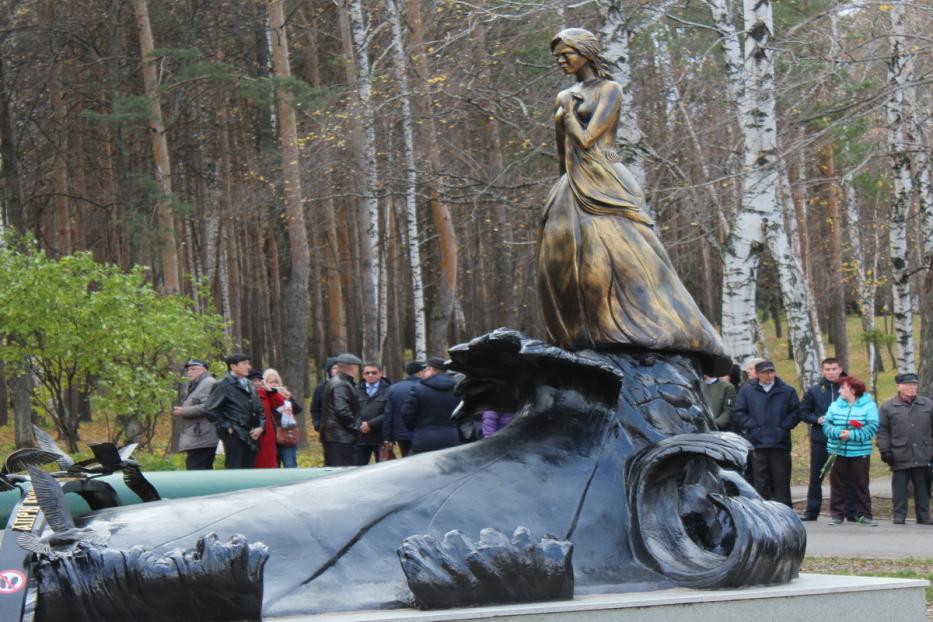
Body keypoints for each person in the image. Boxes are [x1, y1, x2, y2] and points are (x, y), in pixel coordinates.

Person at [536, 28, 729, 372]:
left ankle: (643, 325)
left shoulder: (610, 90)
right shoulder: (566, 95)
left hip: (605, 178)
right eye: (557, 57)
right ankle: (580, 331)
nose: (562, 61)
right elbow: (561, 150)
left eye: (568, 54)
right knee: (561, 254)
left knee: (620, 253)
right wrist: (563, 182)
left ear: (586, 52)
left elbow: (586, 139)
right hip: (573, 183)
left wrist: (567, 112)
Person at [732, 360, 800, 506]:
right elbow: (739, 412)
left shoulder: (787, 391)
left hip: (779, 443)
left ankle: (785, 512)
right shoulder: (747, 391)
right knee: (760, 481)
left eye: (771, 371)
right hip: (757, 443)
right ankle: (763, 511)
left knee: (781, 480)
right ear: (757, 374)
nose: (769, 375)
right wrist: (753, 427)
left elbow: (795, 412)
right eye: (764, 372)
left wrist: (783, 427)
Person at [799, 358, 856, 521]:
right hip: (820, 439)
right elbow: (803, 412)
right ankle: (812, 511)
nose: (831, 372)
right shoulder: (815, 390)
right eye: (827, 369)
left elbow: (860, 408)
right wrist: (816, 419)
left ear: (840, 369)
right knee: (817, 475)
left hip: (843, 439)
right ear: (822, 371)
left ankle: (850, 511)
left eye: (834, 369)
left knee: (846, 476)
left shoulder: (850, 388)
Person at [822, 376, 879, 526]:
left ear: (853, 390)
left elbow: (872, 427)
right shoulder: (835, 405)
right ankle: (836, 514)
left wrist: (852, 435)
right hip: (836, 451)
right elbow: (826, 424)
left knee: (861, 484)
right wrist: (838, 433)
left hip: (859, 453)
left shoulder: (869, 406)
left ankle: (864, 515)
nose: (839, 390)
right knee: (837, 483)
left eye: (843, 388)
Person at [877, 373, 933, 525]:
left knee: (923, 487)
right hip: (898, 453)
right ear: (898, 387)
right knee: (899, 487)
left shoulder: (928, 404)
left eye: (914, 384)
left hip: (924, 452)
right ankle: (899, 515)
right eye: (908, 384)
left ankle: (924, 516)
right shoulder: (888, 407)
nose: (911, 387)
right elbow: (882, 430)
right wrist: (885, 450)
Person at [205, 353, 265, 469]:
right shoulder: (222, 385)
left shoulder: (250, 385)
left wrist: (261, 427)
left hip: (253, 435)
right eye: (244, 364)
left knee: (249, 471)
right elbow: (211, 410)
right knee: (235, 470)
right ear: (233, 366)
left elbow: (259, 408)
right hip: (235, 435)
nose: (248, 367)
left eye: (249, 364)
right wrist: (228, 427)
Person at [401, 358, 460, 454]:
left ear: (431, 369)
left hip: (424, 438)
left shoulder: (418, 389)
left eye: (426, 369)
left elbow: (406, 412)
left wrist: (417, 427)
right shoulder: (457, 389)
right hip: (451, 437)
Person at [172, 359, 218, 470]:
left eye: (193, 369)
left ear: (204, 370)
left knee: (197, 470)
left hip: (203, 436)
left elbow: (208, 407)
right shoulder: (199, 384)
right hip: (199, 436)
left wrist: (184, 411)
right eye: (188, 369)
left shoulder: (208, 383)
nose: (189, 372)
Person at [320, 353, 362, 466]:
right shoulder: (341, 384)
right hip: (340, 437)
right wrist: (355, 426)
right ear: (353, 368)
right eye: (357, 367)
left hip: (336, 436)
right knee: (342, 473)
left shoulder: (338, 381)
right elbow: (342, 410)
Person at [264, 368, 304, 469]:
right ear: (266, 383)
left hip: (287, 435)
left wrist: (289, 398)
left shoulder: (284, 395)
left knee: (290, 465)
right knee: (274, 467)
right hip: (271, 437)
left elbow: (298, 410)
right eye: (271, 382)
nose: (274, 384)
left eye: (276, 381)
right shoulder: (264, 396)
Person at [383, 361, 424, 457]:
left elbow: (388, 415)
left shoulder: (393, 388)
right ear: (419, 372)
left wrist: (387, 438)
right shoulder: (425, 386)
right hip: (422, 431)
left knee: (406, 459)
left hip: (401, 433)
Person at [356, 363, 389, 465]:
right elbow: (351, 411)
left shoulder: (389, 390)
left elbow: (389, 412)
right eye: (367, 373)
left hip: (381, 438)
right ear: (363, 375)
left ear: (381, 374)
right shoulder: (355, 390)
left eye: (374, 373)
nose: (370, 375)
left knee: (383, 470)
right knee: (356, 471)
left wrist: (371, 424)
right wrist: (360, 425)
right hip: (360, 437)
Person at [254, 370, 283, 469]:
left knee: (268, 459)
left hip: (267, 432)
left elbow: (279, 402)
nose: (257, 383)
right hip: (252, 431)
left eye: (259, 380)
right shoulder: (245, 394)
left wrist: (271, 391)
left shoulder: (265, 393)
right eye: (254, 381)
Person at [311, 357, 338, 432]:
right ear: (329, 370)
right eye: (335, 368)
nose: (338, 370)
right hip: (328, 430)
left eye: (340, 367)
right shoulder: (321, 388)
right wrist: (317, 423)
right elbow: (314, 409)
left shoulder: (350, 386)